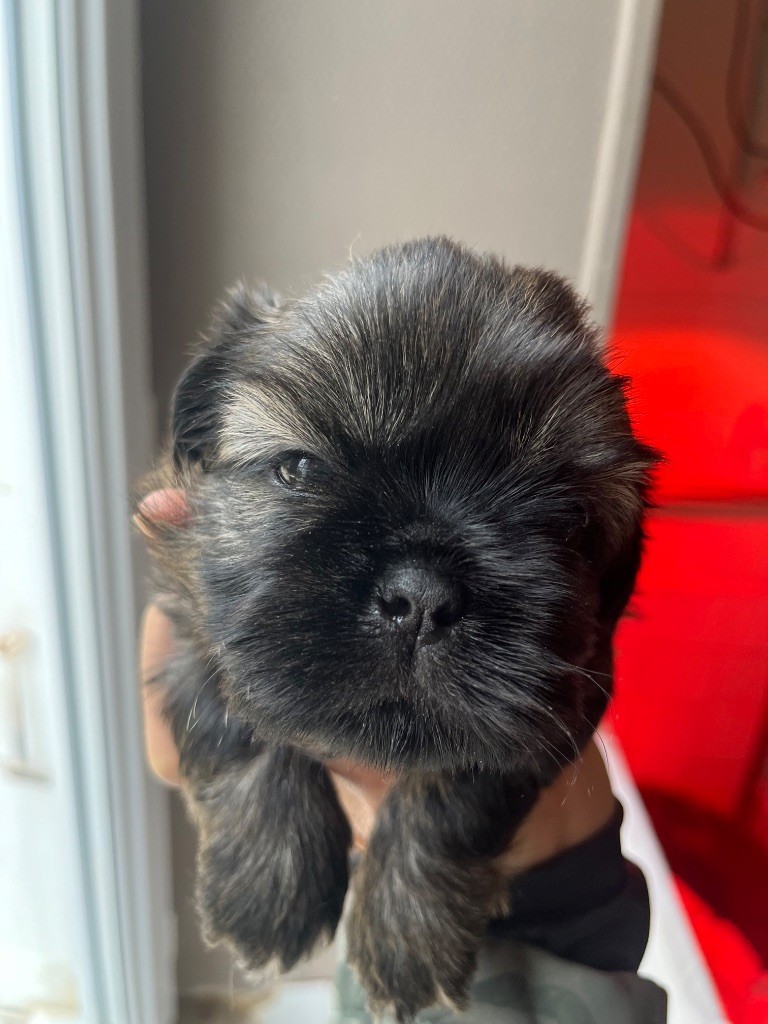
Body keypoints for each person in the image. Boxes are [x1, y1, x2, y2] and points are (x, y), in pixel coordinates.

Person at [137, 488, 666, 1023]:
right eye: (300, 471)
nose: (418, 591)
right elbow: (172, 736)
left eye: (553, 513)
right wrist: (253, 772)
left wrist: (430, 838)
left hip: (561, 927)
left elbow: (567, 698)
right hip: (431, 900)